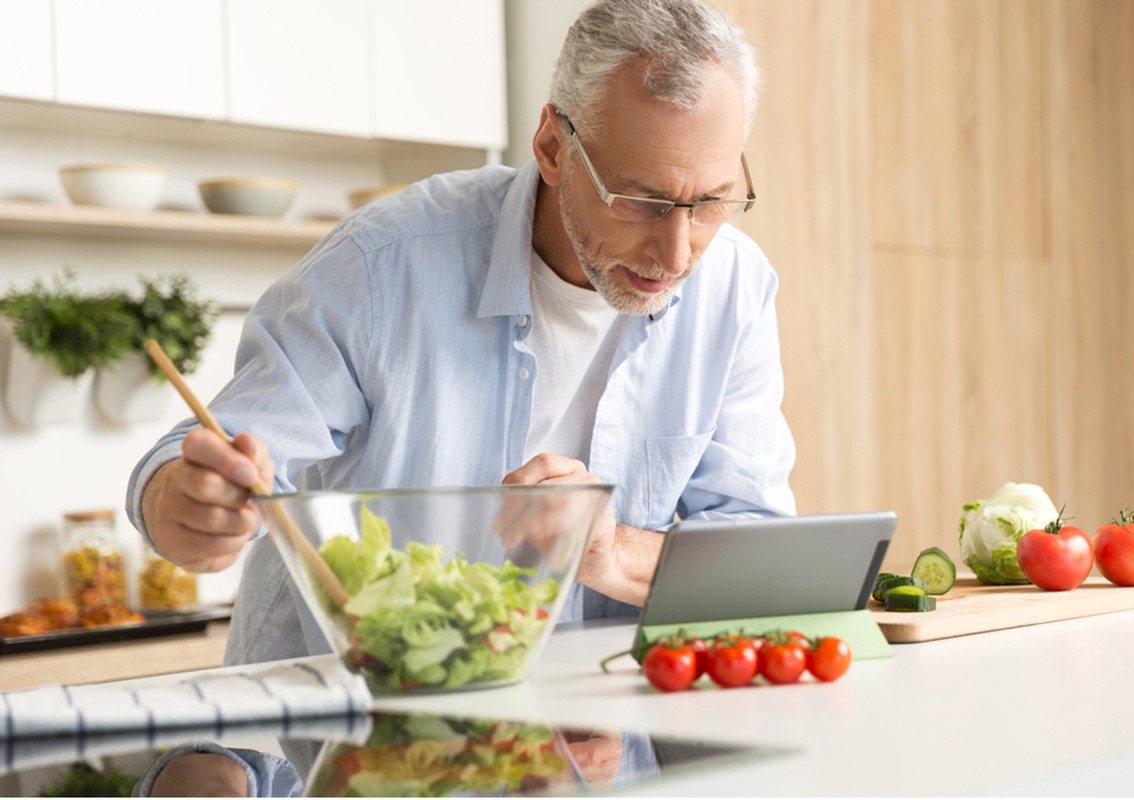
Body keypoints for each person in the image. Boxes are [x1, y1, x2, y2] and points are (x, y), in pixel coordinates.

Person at [126, 0, 796, 672]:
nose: (678, 253)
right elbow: (206, 455)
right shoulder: (381, 264)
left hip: (597, 745)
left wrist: (611, 551)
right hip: (347, 736)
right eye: (640, 200)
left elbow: (759, 554)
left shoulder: (734, 289)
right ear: (553, 147)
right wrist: (183, 504)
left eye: (711, 201)